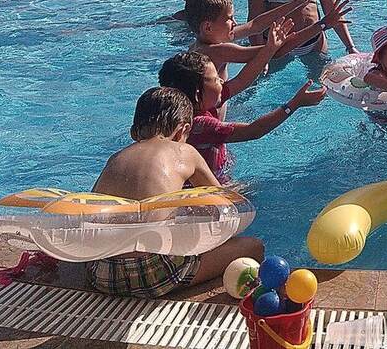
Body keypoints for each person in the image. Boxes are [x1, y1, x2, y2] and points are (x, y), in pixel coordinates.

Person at [88, 87, 263, 298]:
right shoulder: (185, 151)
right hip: (151, 274)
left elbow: (91, 214)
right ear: (182, 130)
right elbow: (224, 208)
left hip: (101, 272)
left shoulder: (116, 158)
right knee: (254, 247)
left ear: (134, 132)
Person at [159, 45, 326, 181]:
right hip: (205, 189)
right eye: (216, 79)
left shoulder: (196, 105)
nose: (222, 81)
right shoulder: (200, 124)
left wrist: (269, 50)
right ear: (197, 93)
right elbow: (254, 131)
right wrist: (294, 104)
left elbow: (242, 80)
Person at [186, 0, 349, 78]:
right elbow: (276, 52)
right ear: (208, 27)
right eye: (229, 18)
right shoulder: (218, 51)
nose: (235, 23)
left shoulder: (203, 41)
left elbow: (255, 25)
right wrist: (322, 24)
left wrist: (299, 2)